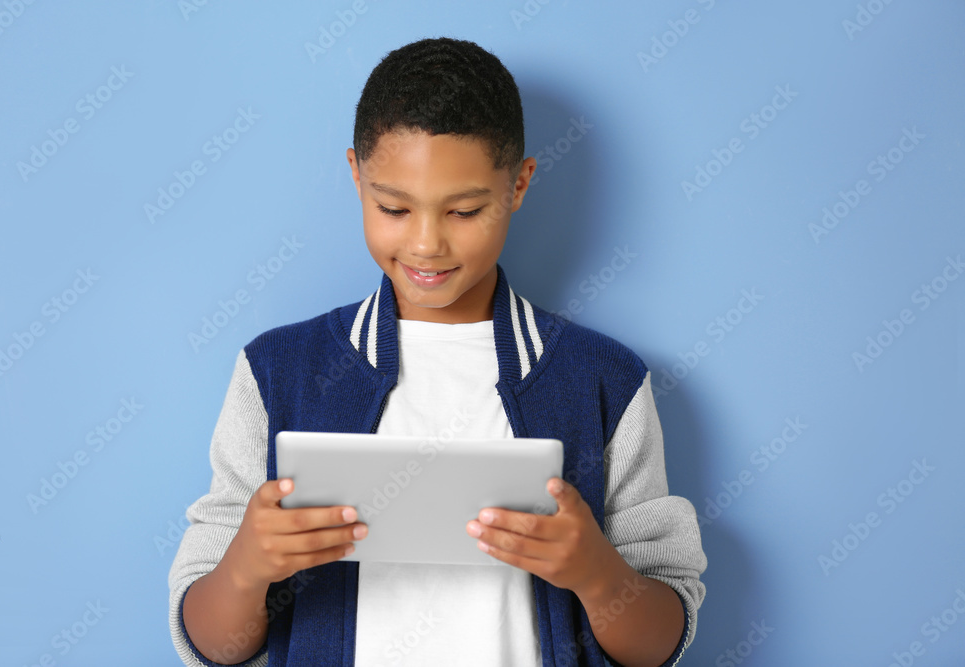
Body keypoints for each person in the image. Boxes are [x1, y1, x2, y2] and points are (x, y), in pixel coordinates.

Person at [168, 36, 706, 667]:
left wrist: (595, 572)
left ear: (519, 185)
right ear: (356, 177)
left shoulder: (602, 380)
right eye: (393, 207)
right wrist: (244, 569)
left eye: (465, 210)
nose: (426, 244)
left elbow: (658, 644)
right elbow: (210, 644)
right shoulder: (278, 372)